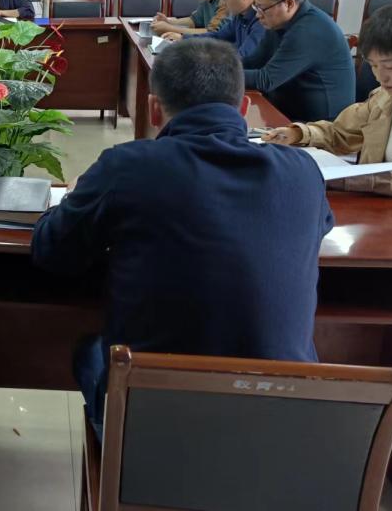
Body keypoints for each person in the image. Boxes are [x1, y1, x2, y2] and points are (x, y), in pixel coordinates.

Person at [32, 38, 332, 440]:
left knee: (89, 353)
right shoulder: (303, 172)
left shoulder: (127, 166)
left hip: (154, 430)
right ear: (243, 108)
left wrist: (73, 201)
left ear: (154, 109)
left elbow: (52, 251)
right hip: (279, 429)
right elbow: (319, 227)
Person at [264, 5, 392, 246]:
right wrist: (297, 134)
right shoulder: (384, 97)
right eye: (373, 66)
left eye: (390, 66)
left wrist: (335, 178)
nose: (380, 76)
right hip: (381, 212)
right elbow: (341, 132)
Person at [242, 0, 354, 122]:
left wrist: (219, 76)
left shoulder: (309, 30)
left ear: (289, 4)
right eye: (256, 6)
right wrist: (216, 66)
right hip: (289, 111)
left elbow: (265, 80)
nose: (257, 14)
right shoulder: (278, 22)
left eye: (262, 8)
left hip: (320, 126)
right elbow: (254, 61)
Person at [165, 0, 264, 59]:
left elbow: (243, 57)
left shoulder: (262, 19)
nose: (222, 3)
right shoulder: (240, 16)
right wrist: (183, 39)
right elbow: (217, 36)